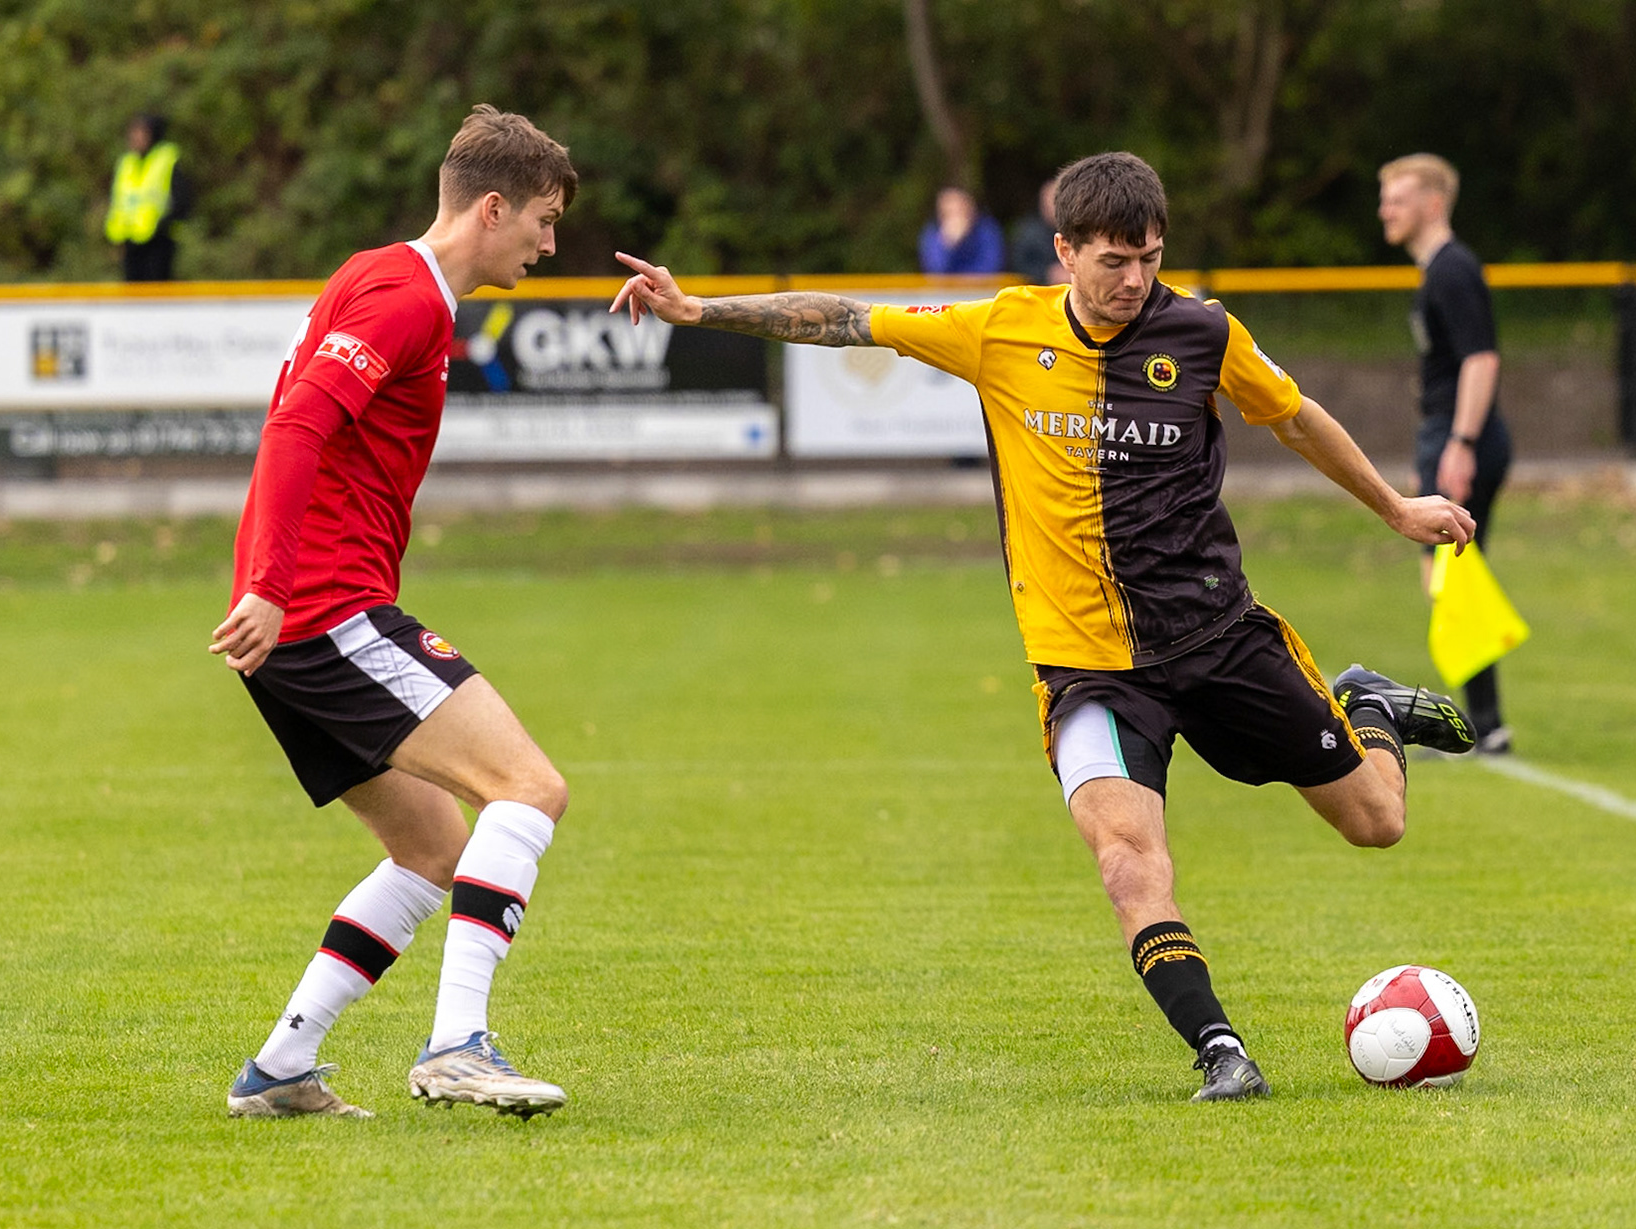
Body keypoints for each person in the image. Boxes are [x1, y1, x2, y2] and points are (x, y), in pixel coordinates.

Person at [611, 151, 1479, 1102]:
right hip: (1088, 670)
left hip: (1220, 637)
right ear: (1064, 250)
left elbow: (1297, 418)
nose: (1134, 280)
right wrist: (702, 311)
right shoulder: (1002, 329)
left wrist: (1396, 507)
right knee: (1127, 862)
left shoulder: (1202, 332)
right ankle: (1221, 1049)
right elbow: (846, 318)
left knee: (1378, 823)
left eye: (1149, 258)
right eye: (1113, 260)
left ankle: (1369, 705)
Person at [212, 105, 578, 1119]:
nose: (549, 246)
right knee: (529, 788)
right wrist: (275, 588)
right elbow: (297, 426)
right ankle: (456, 1045)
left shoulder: (377, 274)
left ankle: (280, 1069)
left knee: (432, 851)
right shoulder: (407, 299)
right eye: (543, 222)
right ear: (492, 207)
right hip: (323, 609)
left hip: (298, 619)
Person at [1378, 154, 1514, 754]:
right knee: (1448, 576)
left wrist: (1460, 443)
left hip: (1464, 437)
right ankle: (1477, 718)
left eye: (1399, 198)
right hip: (1443, 433)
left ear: (1434, 203)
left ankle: (1484, 722)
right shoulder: (1434, 271)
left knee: (1455, 574)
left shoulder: (1453, 269)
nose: (1387, 209)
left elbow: (1481, 359)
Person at [105, 114, 193, 282]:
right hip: (129, 242)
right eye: (133, 132)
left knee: (157, 298)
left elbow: (182, 202)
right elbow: (117, 201)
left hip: (159, 243)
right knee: (132, 298)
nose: (135, 137)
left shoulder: (166, 159)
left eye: (141, 132)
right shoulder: (126, 163)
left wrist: (162, 226)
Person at [918, 186, 1004, 274]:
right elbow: (935, 270)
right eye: (949, 212)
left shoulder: (987, 230)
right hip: (945, 287)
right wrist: (948, 244)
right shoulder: (932, 233)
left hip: (982, 287)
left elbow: (991, 268)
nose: (956, 218)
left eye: (960, 210)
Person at [1009, 176, 1068, 285]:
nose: (1054, 205)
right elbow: (1017, 265)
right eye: (1050, 199)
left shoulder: (1077, 232)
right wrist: (1047, 274)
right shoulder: (1027, 233)